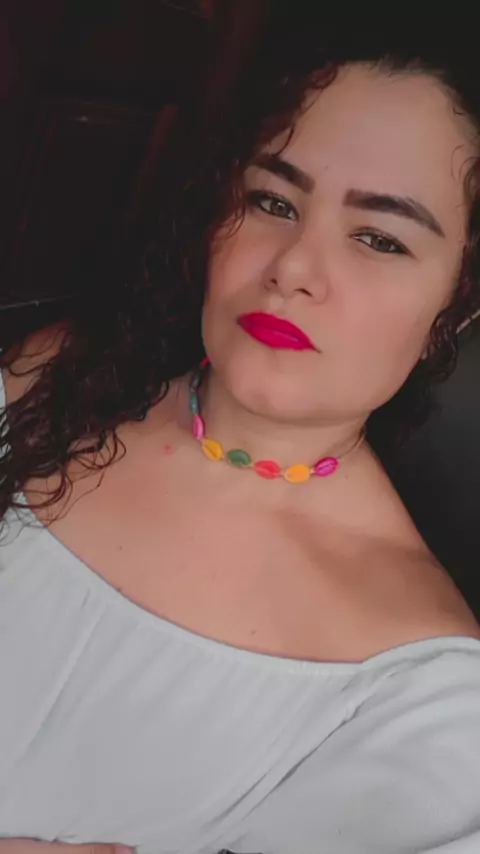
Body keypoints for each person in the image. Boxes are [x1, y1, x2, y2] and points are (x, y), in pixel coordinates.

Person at [1, 32, 480, 854]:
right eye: (274, 202)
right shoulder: (52, 376)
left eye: (380, 238)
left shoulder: (423, 700)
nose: (293, 267)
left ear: (457, 306)